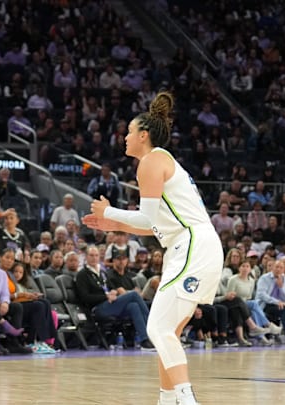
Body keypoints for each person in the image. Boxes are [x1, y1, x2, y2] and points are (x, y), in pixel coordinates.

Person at [84, 92, 223, 405]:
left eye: (130, 131)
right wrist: (114, 224)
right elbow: (152, 225)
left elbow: (146, 217)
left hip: (192, 246)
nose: (125, 136)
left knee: (158, 328)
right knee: (167, 333)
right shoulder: (159, 162)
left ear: (143, 135)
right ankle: (166, 399)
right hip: (192, 245)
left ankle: (187, 400)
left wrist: (109, 213)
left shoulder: (151, 161)